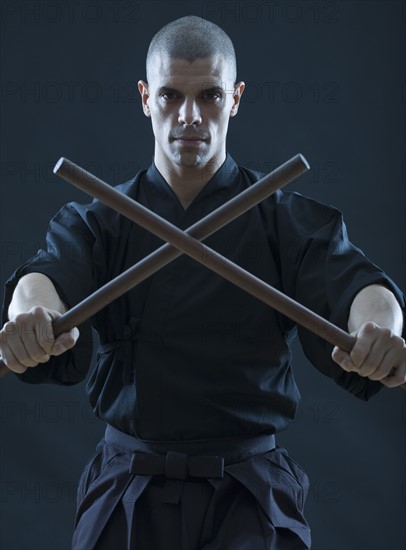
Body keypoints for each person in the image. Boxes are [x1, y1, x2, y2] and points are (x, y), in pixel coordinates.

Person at [1, 15, 405, 550]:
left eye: (210, 95)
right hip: (128, 490)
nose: (189, 116)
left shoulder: (282, 219)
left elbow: (358, 286)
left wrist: (380, 327)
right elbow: (45, 279)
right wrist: (28, 318)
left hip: (251, 496)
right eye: (170, 96)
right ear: (145, 97)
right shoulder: (97, 221)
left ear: (235, 98)